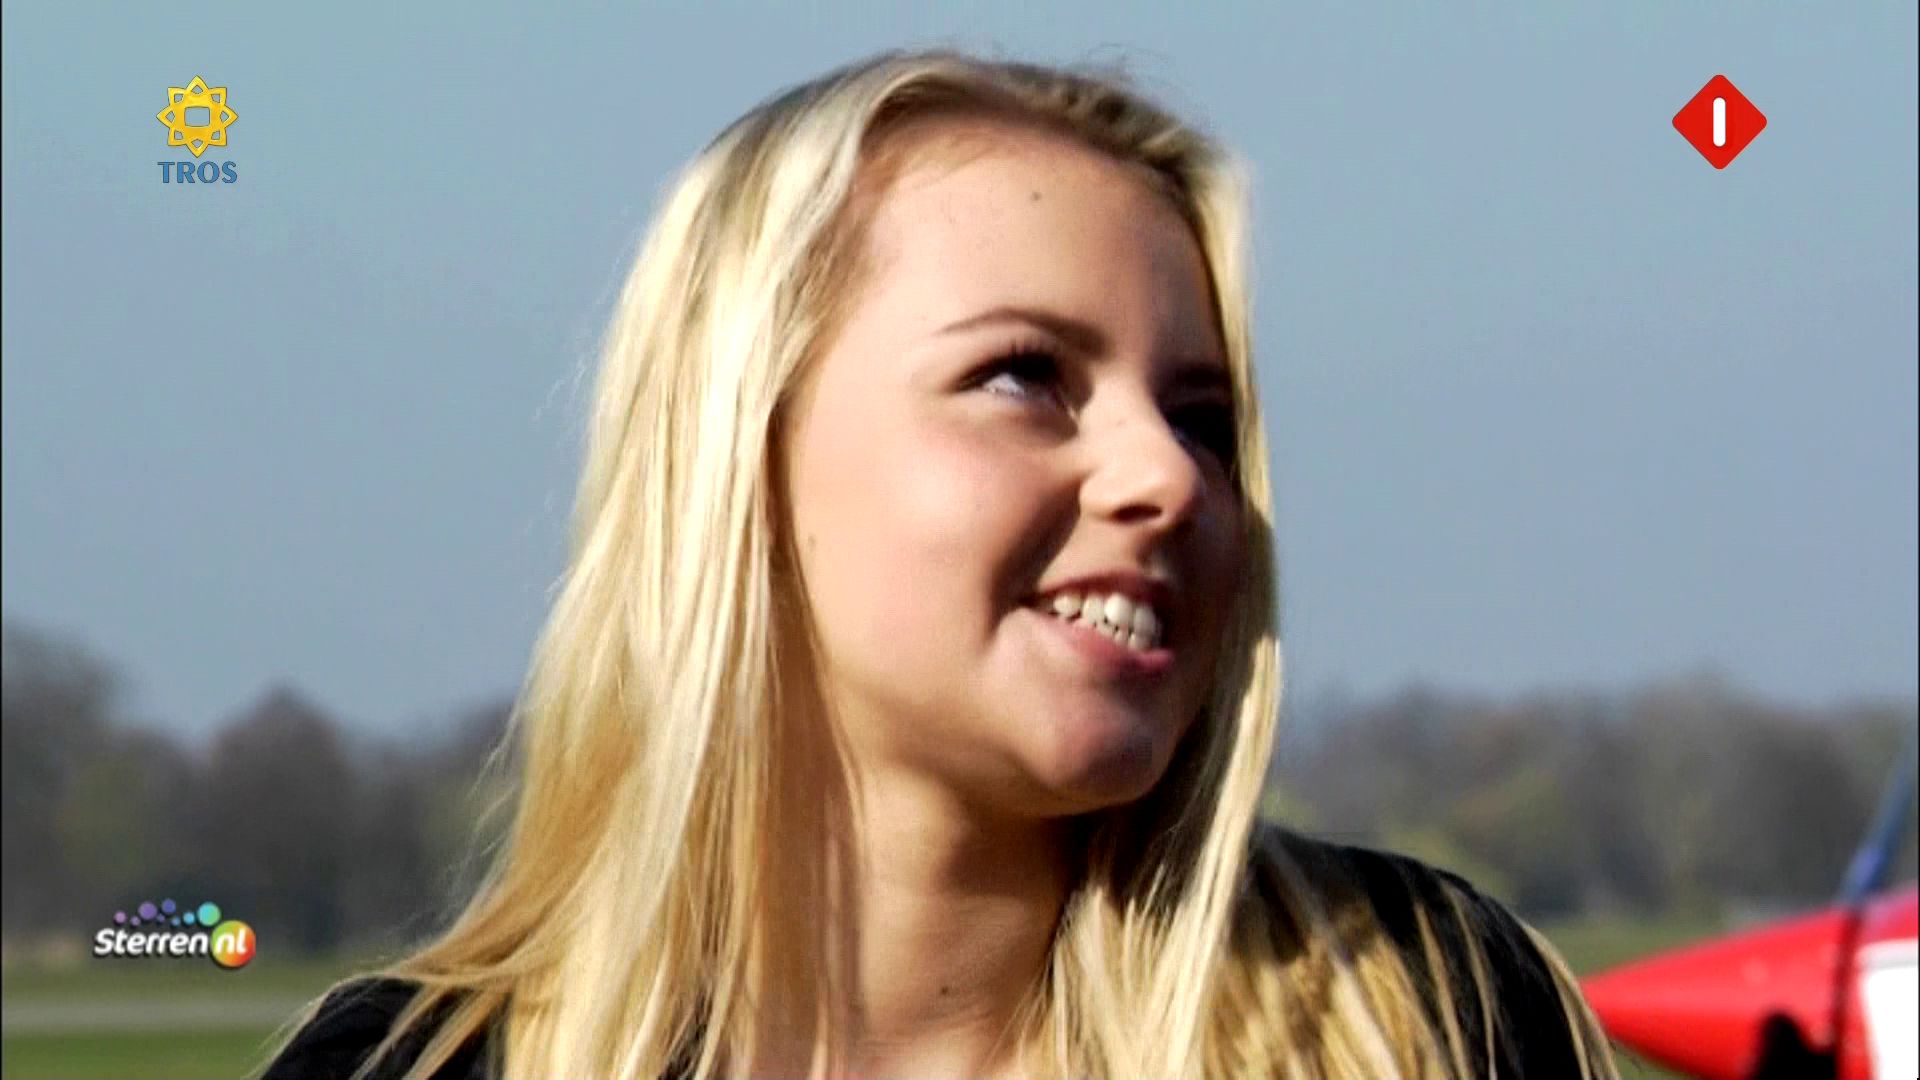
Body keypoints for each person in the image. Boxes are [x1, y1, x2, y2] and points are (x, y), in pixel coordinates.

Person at [262, 48, 1617, 1080]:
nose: (1166, 477)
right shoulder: (412, 1069)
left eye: (1202, 419)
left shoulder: (1418, 1008)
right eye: (1025, 376)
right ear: (742, 456)